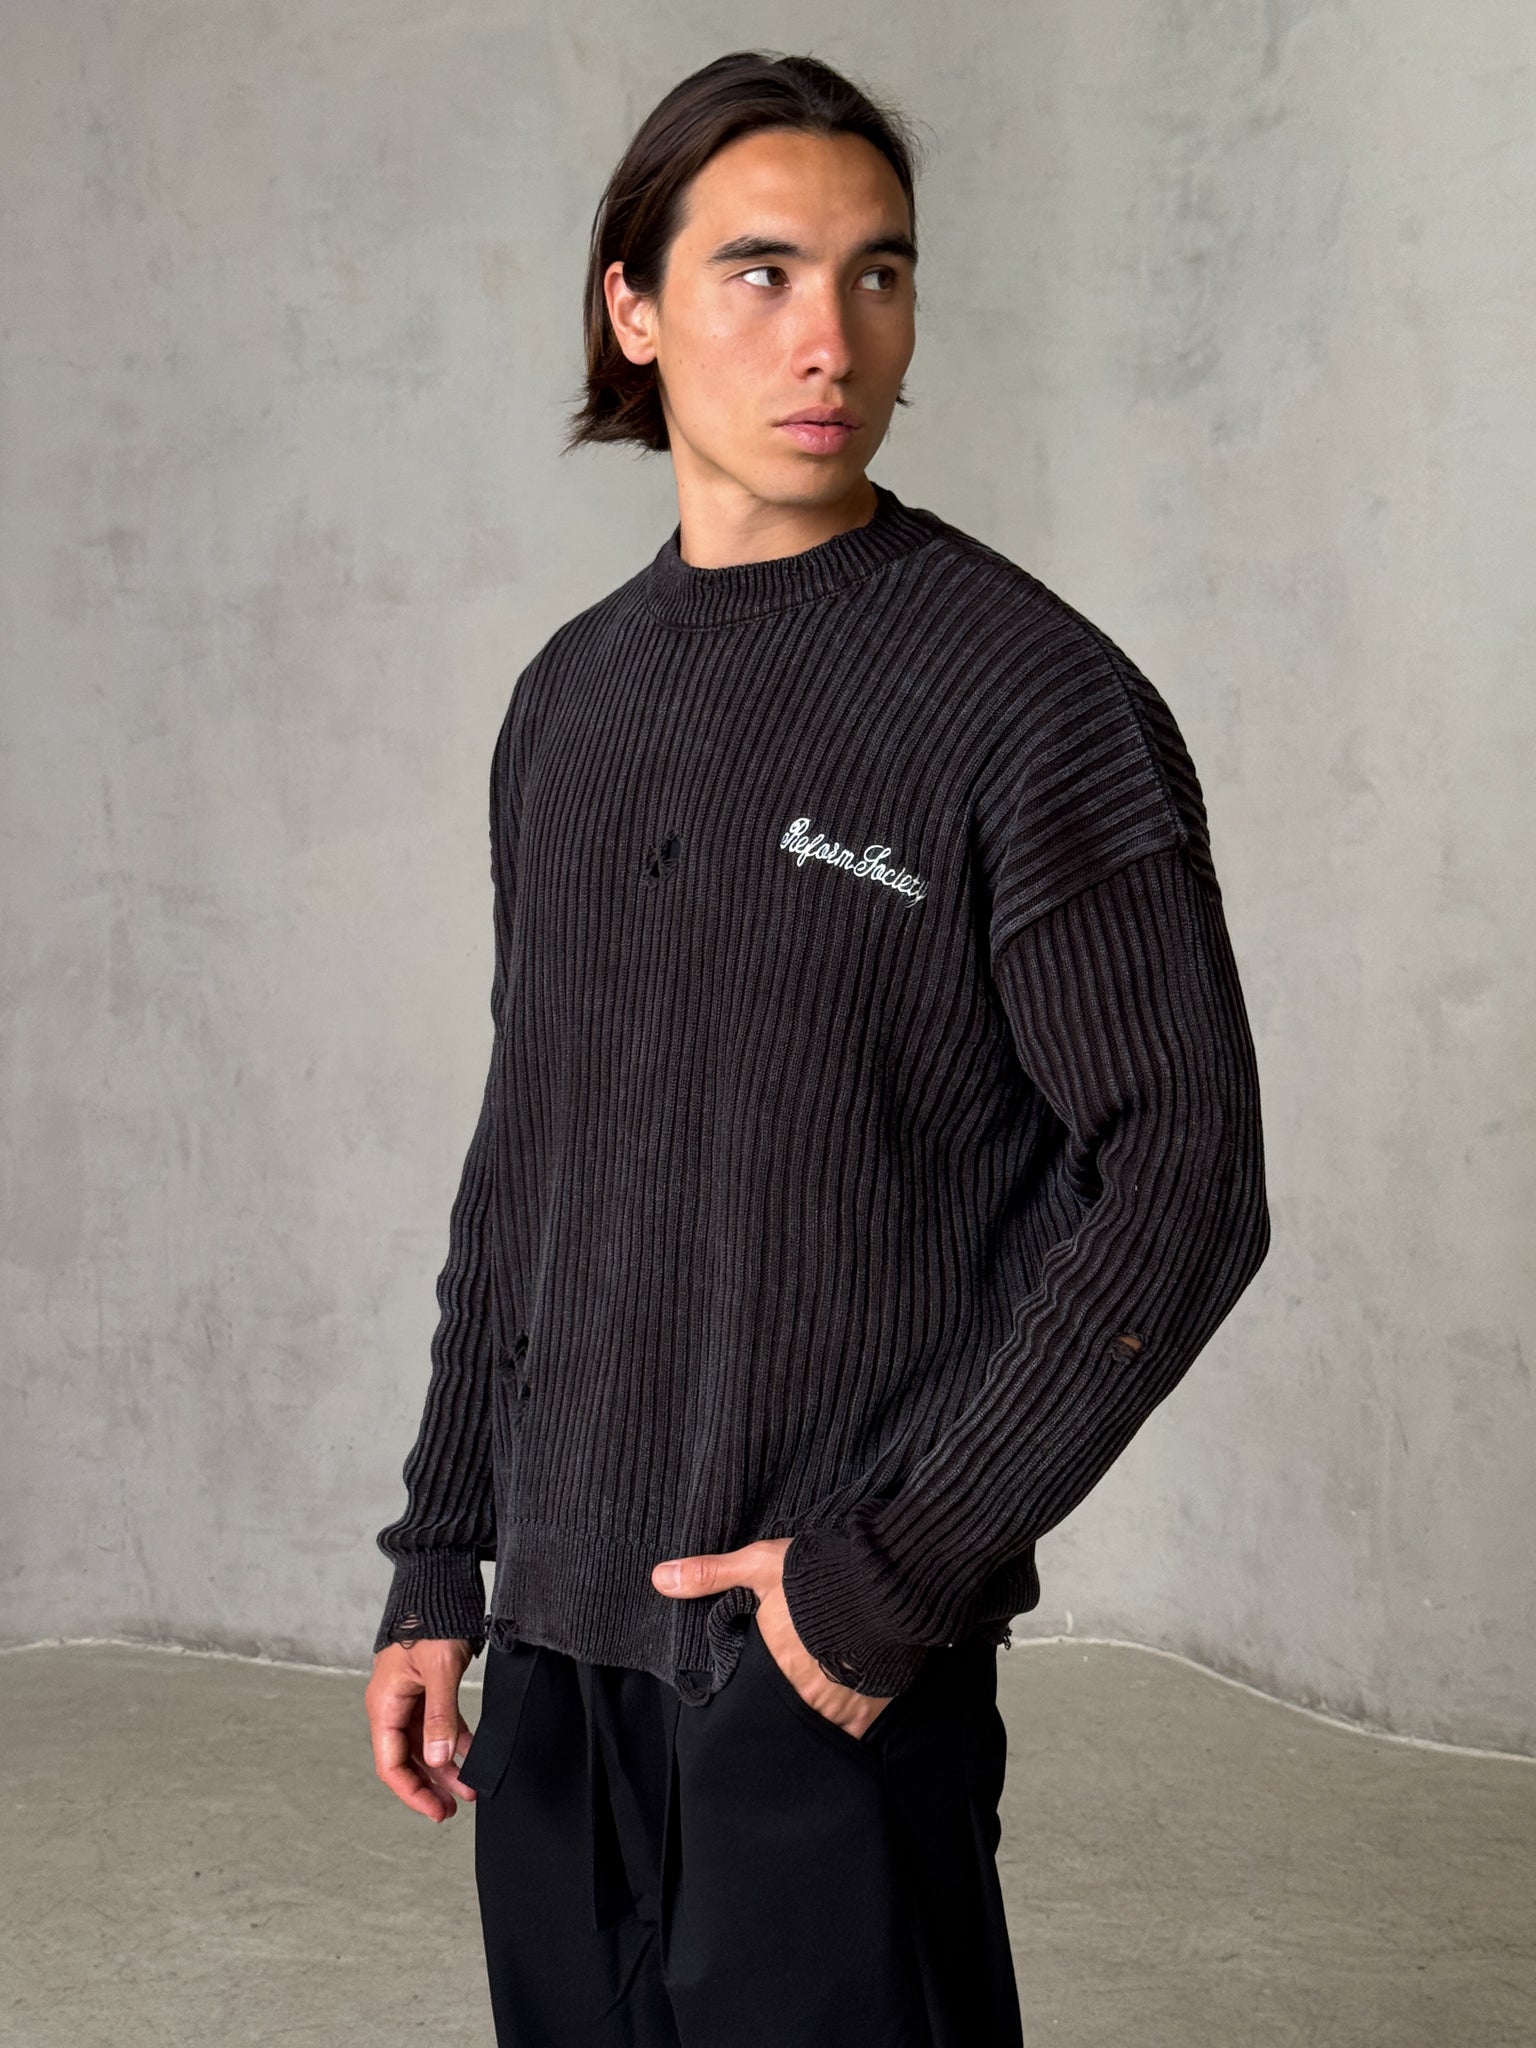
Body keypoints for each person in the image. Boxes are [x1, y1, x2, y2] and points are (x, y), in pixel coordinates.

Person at [363, 47, 1271, 2048]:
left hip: (825, 1657)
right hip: (557, 1660)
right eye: (761, 270)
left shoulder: (1031, 703)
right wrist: (441, 1559)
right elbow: (531, 1154)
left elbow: (1188, 1175)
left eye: (880, 273)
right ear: (632, 305)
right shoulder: (570, 702)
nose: (830, 337)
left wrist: (889, 1579)